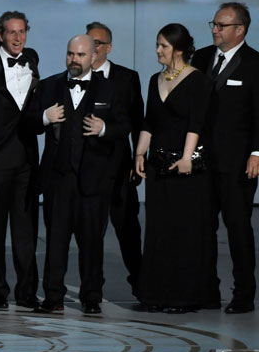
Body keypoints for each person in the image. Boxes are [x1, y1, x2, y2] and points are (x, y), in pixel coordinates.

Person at [28, 34, 128, 315]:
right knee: (55, 242)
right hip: (58, 180)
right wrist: (45, 117)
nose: (74, 59)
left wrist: (104, 129)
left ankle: (91, 296)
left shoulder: (110, 89)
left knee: (92, 243)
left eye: (81, 55)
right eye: (70, 54)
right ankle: (53, 296)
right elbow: (28, 122)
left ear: (94, 56)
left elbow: (124, 126)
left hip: (93, 181)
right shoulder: (48, 86)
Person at [135, 23, 219, 313]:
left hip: (185, 167)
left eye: (164, 46)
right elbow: (149, 121)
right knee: (159, 231)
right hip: (158, 166)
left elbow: (196, 122)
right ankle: (156, 294)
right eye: (158, 45)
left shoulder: (198, 81)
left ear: (179, 49)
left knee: (183, 232)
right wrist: (139, 153)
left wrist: (186, 157)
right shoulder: (154, 79)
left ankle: (182, 297)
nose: (158, 50)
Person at [191, 2, 259, 314]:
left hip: (238, 164)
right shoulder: (202, 57)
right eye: (214, 24)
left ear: (240, 30)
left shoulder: (256, 64)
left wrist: (257, 152)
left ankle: (243, 295)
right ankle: (205, 291)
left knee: (237, 228)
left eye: (221, 25)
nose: (215, 29)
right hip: (202, 160)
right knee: (202, 227)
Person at [0, 11, 40, 310]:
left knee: (25, 230)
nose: (18, 38)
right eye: (11, 33)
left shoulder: (32, 59)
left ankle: (27, 291)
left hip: (26, 160)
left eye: (22, 32)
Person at [87, 21, 144, 299]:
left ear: (108, 47)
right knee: (91, 234)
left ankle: (142, 285)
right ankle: (93, 292)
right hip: (88, 171)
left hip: (120, 169)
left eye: (98, 43)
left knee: (128, 230)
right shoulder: (74, 75)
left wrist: (137, 158)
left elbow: (137, 121)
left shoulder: (127, 77)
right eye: (89, 42)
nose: (92, 47)